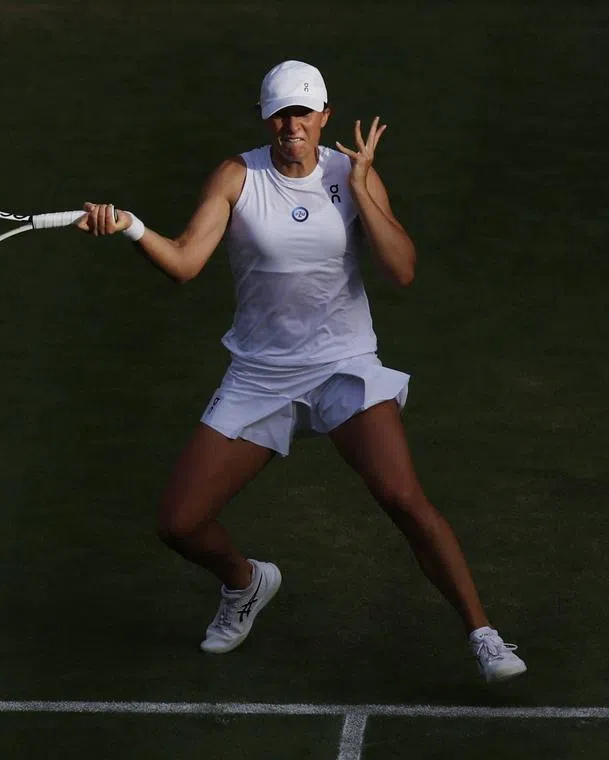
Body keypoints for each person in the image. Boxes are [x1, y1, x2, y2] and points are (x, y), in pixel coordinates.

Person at [76, 60, 527, 683]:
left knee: (402, 498)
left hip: (343, 365)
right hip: (260, 375)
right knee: (178, 524)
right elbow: (183, 263)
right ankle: (246, 582)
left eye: (303, 113)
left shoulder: (351, 174)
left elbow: (402, 270)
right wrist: (131, 226)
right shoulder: (238, 176)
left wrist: (365, 186)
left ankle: (483, 634)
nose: (293, 125)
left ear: (324, 118)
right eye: (281, 113)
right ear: (267, 118)